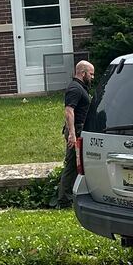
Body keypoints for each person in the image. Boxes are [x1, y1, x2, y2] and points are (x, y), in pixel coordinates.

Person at [53, 60, 95, 208]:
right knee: (71, 165)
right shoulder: (75, 89)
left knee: (79, 165)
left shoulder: (81, 87)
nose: (92, 77)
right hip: (75, 130)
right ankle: (64, 200)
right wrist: (72, 134)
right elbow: (69, 111)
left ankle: (76, 194)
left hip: (79, 130)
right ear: (82, 73)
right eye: (91, 74)